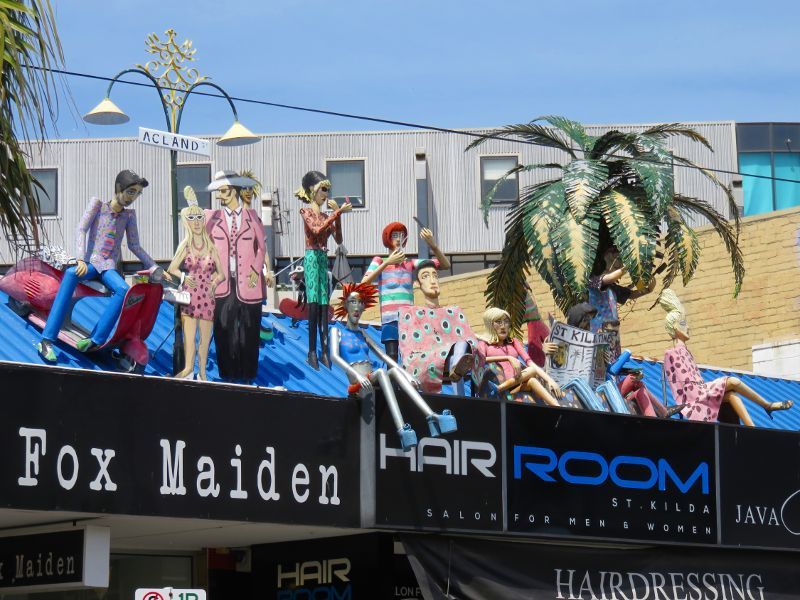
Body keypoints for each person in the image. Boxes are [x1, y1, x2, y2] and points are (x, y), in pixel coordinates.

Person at [37, 170, 155, 362]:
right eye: (131, 191)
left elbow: (135, 245)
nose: (133, 197)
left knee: (123, 289)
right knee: (71, 274)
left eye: (137, 193)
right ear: (119, 188)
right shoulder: (98, 206)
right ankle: (46, 340)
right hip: (91, 262)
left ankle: (95, 339)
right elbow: (81, 229)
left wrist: (154, 267)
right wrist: (81, 259)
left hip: (108, 267)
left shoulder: (129, 216)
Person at [330, 282, 457, 451]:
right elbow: (334, 357)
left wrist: (407, 375)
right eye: (353, 302)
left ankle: (432, 416)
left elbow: (382, 355)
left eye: (361, 303)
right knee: (383, 372)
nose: (357, 307)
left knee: (394, 371)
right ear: (345, 304)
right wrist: (358, 375)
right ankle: (402, 429)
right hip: (358, 383)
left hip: (371, 379)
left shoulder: (363, 334)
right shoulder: (336, 332)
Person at [659, 289, 793, 425]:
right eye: (683, 323)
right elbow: (682, 386)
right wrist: (700, 391)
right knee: (733, 382)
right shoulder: (671, 353)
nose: (687, 327)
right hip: (695, 395)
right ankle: (767, 405)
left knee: (732, 395)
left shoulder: (687, 352)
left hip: (702, 389)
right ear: (674, 327)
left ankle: (752, 429)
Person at [205, 170, 267, 382]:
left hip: (248, 283)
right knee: (223, 329)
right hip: (222, 283)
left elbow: (261, 247)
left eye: (223, 191)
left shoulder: (252, 216)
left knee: (249, 330)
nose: (220, 196)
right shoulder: (212, 218)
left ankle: (248, 374)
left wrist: (255, 271)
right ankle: (227, 374)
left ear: (233, 191)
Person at [361, 222, 450, 363]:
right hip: (390, 320)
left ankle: (406, 384)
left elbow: (444, 264)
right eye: (395, 235)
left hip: (408, 319)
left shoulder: (410, 263)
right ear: (387, 238)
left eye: (401, 236)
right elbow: (364, 282)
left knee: (409, 357)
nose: (398, 239)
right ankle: (393, 384)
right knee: (391, 356)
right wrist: (387, 263)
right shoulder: (379, 261)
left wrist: (433, 245)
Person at [294, 170, 352, 369]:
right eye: (323, 189)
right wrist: (337, 213)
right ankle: (312, 351)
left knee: (322, 302)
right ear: (313, 190)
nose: (326, 193)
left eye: (327, 190)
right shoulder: (306, 212)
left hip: (322, 257)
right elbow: (316, 230)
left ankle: (324, 351)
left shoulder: (327, 215)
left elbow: (338, 239)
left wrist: (338, 217)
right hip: (311, 257)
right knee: (312, 302)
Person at [397, 259, 478, 393]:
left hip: (455, 352)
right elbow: (409, 347)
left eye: (435, 276)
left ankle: (457, 364)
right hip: (425, 357)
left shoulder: (454, 312)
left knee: (462, 345)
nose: (433, 281)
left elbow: (469, 336)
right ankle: (457, 363)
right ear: (417, 284)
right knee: (457, 350)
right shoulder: (411, 312)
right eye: (425, 276)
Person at [167, 203, 225, 381]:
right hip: (190, 296)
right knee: (189, 337)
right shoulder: (185, 246)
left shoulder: (211, 247)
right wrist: (184, 277)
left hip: (207, 297)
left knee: (205, 339)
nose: (197, 222)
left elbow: (221, 274)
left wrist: (214, 283)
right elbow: (172, 268)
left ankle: (203, 372)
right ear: (186, 221)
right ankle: (188, 369)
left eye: (199, 217)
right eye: (191, 218)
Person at [477, 307, 562, 406]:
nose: (503, 326)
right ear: (489, 324)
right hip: (496, 381)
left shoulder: (513, 342)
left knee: (532, 378)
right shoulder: (484, 343)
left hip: (516, 383)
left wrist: (550, 380)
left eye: (506, 321)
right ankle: (499, 387)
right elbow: (481, 360)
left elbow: (530, 363)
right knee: (532, 371)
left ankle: (557, 406)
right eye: (498, 322)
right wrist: (508, 358)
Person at [587, 247, 654, 334]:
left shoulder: (613, 288)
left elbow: (631, 294)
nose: (617, 262)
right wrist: (631, 264)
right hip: (595, 328)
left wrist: (648, 289)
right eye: (615, 257)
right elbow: (608, 279)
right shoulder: (593, 279)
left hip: (611, 330)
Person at [238, 170, 275, 289]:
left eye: (250, 187)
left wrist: (268, 271)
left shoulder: (257, 219)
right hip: (238, 271)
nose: (248, 191)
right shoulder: (235, 217)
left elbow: (263, 247)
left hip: (254, 271)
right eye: (244, 188)